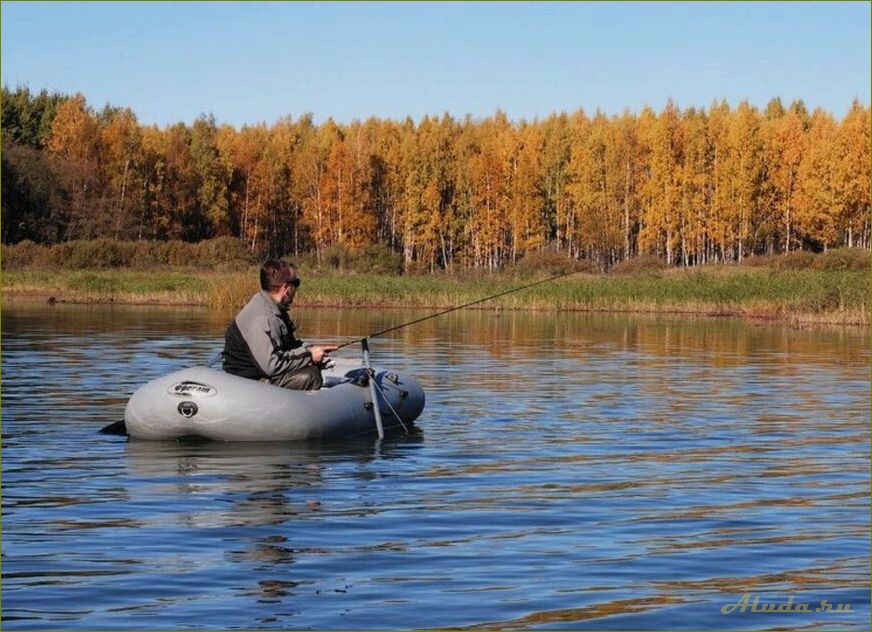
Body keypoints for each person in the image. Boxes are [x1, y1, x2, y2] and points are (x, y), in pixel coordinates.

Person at [223, 259, 337, 390]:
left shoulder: (272, 306)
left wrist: (311, 349)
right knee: (311, 376)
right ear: (286, 288)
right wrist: (309, 356)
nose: (296, 289)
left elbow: (287, 346)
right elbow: (272, 365)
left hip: (260, 373)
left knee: (310, 367)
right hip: (248, 384)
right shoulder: (263, 319)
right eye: (296, 283)